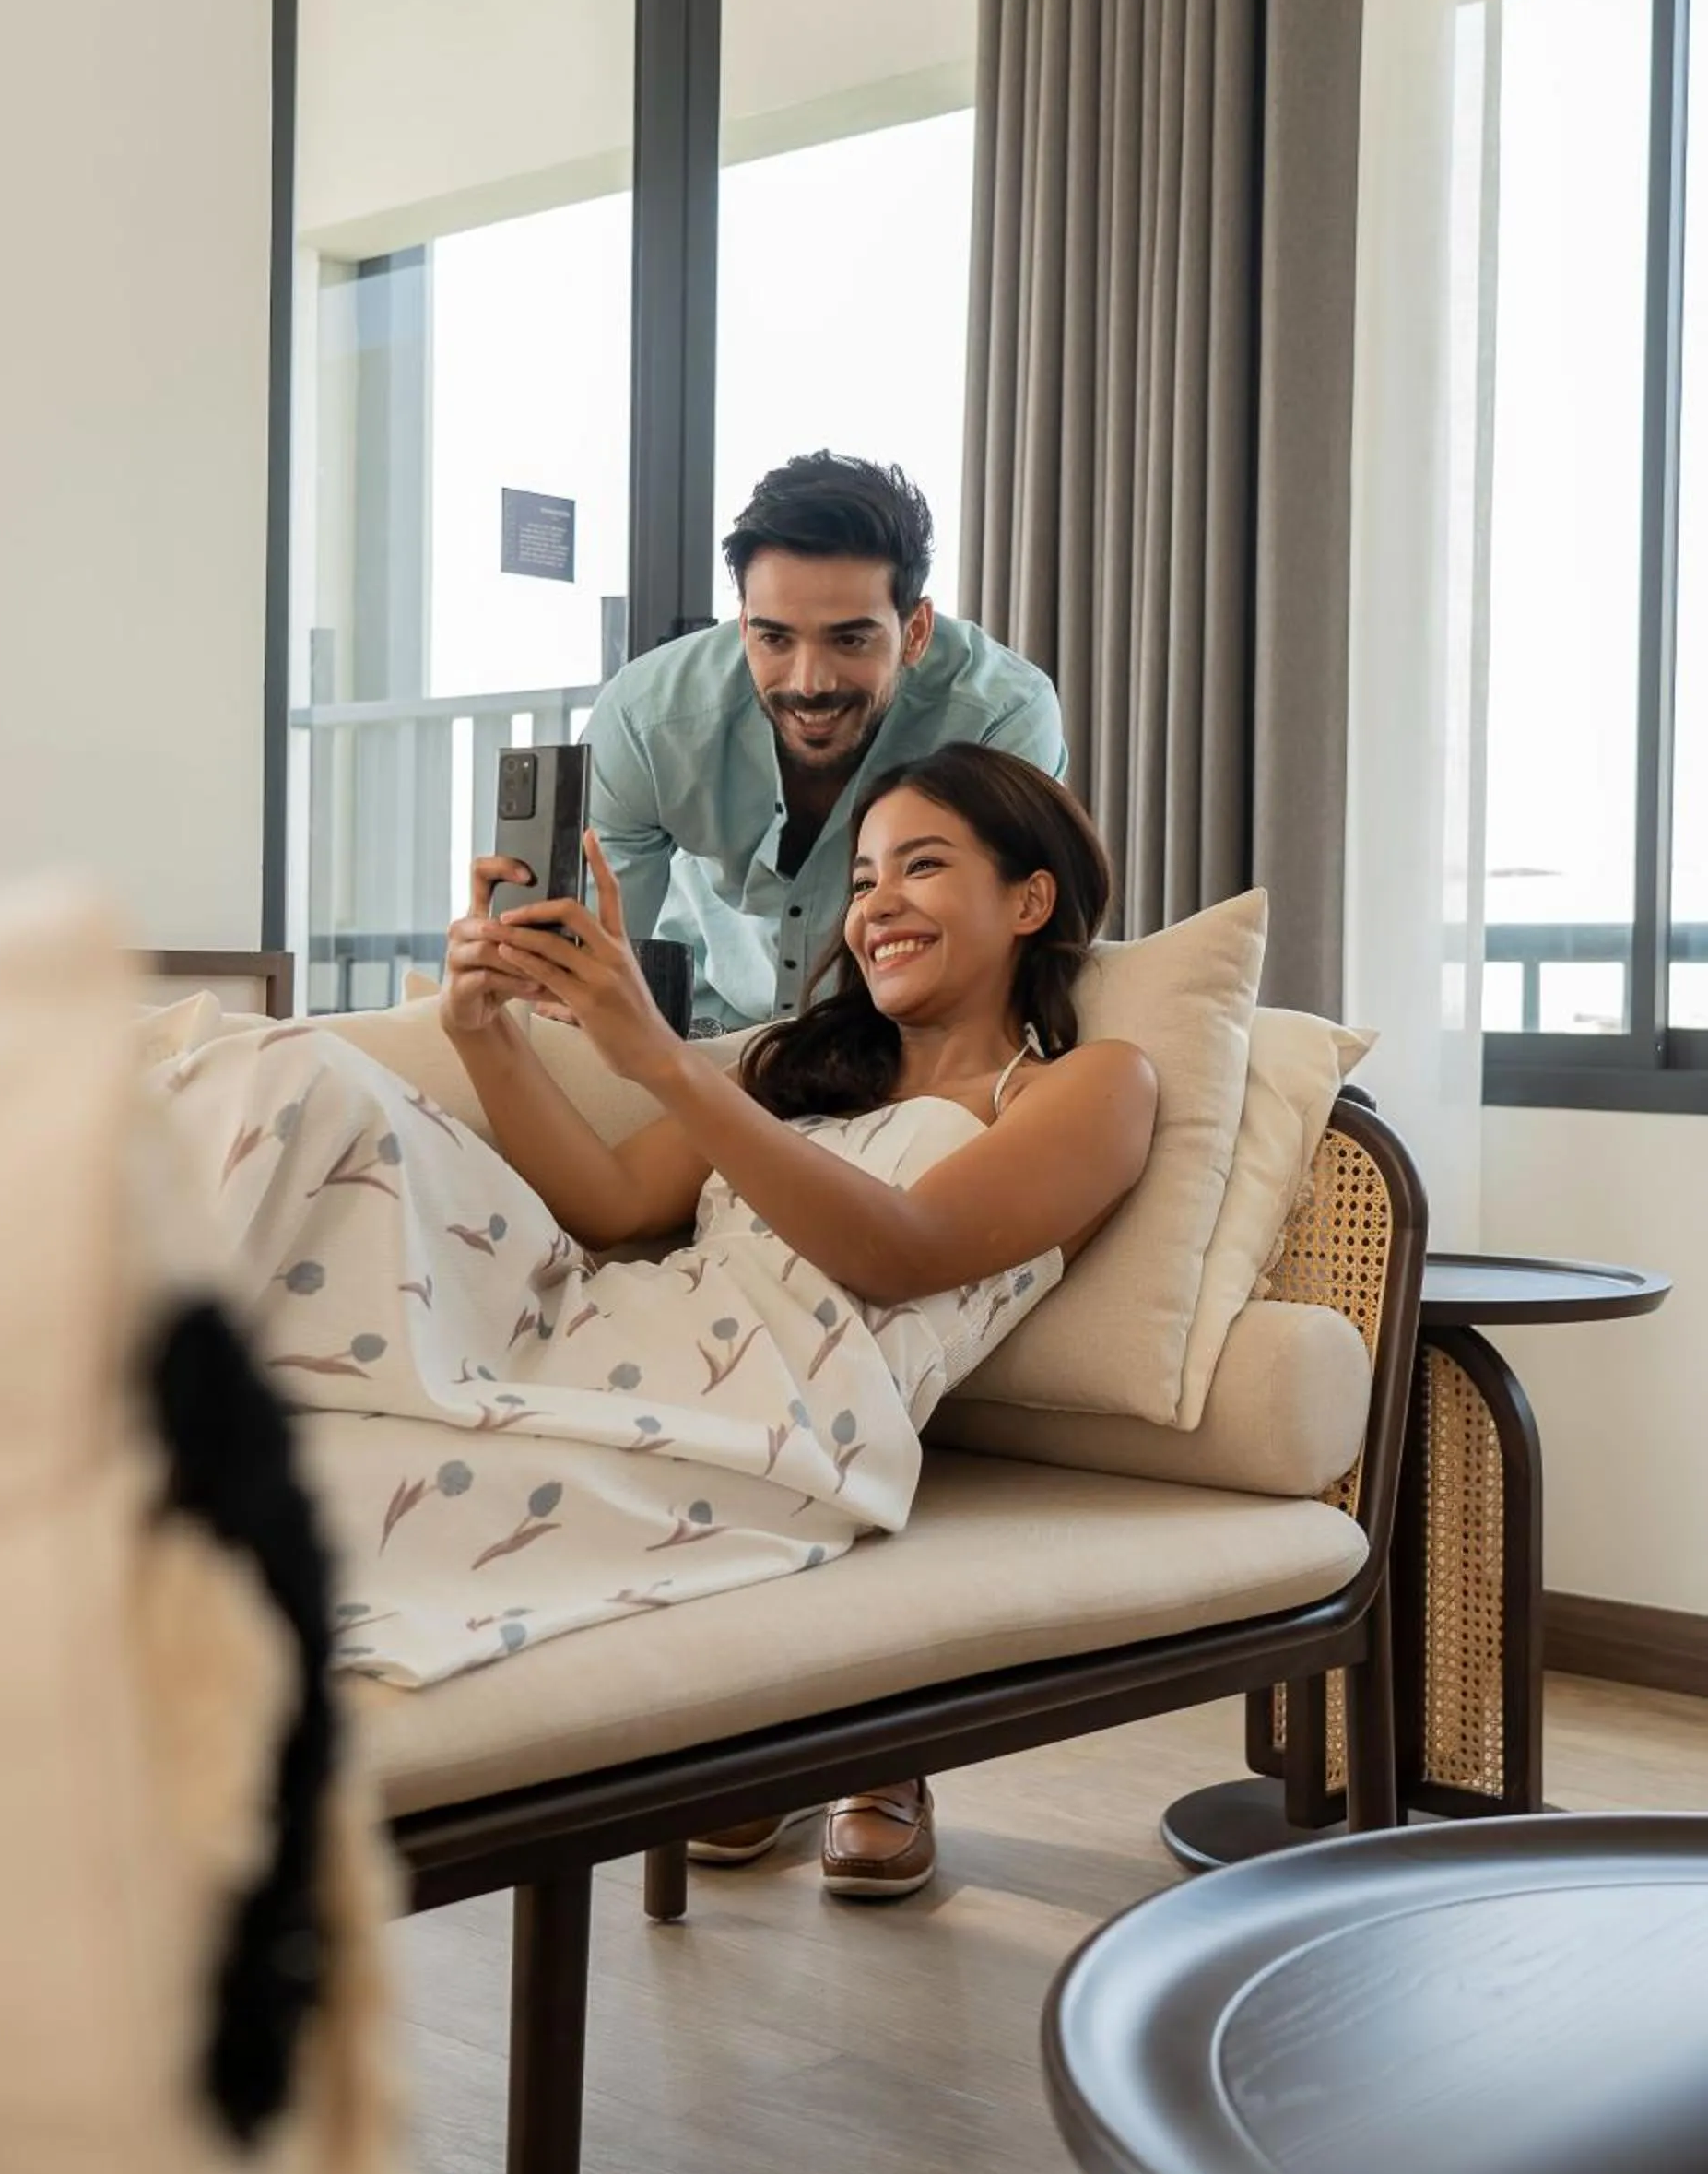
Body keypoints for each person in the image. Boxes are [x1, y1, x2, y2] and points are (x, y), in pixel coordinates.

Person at [154, 747, 1155, 1903]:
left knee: (316, 1496)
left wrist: (667, 1064)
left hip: (764, 1424)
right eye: (867, 876)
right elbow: (609, 1206)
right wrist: (482, 1025)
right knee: (283, 1063)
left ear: (1028, 899)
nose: (876, 904)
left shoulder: (1088, 1086)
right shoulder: (801, 1068)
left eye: (920, 868)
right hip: (597, 1332)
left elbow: (903, 1253)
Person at [583, 452, 1068, 1034]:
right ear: (743, 627)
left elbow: (1004, 950)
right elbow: (587, 962)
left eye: (850, 641)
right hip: (704, 1029)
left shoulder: (1001, 715)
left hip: (897, 1035)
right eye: (775, 639)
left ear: (914, 632)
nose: (809, 683)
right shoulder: (645, 719)